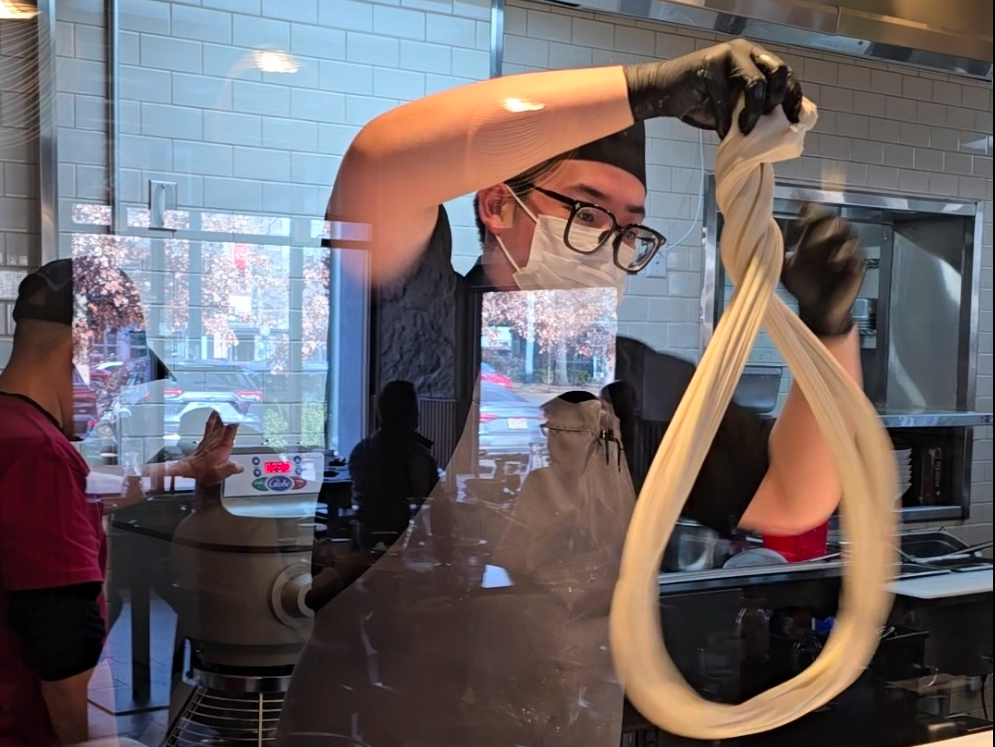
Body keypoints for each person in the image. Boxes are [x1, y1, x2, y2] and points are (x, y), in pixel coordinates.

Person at [278, 40, 864, 746]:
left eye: (630, 226)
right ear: (497, 203)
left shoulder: (627, 380)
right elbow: (381, 163)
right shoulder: (420, 322)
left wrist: (830, 330)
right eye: (587, 211)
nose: (612, 243)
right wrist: (645, 88)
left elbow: (793, 494)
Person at [0, 257, 242, 747]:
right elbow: (63, 642)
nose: (114, 400)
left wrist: (184, 469)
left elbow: (87, 488)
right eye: (117, 376)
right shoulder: (39, 452)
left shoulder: (14, 431)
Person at [348, 380, 439, 555]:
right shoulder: (417, 456)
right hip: (405, 545)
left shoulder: (361, 450)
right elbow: (438, 509)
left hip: (363, 543)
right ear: (412, 414)